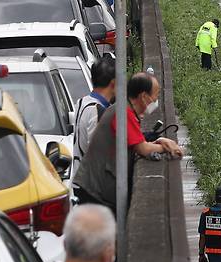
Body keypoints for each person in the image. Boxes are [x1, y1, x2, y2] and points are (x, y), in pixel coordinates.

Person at [73, 72, 183, 211]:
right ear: (144, 97)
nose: (156, 100)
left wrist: (160, 141)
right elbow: (142, 148)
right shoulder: (124, 113)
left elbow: (138, 142)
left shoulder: (124, 109)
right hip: (95, 191)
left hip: (96, 188)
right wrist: (166, 147)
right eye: (155, 95)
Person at [72, 55, 116, 182]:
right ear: (114, 83)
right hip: (91, 187)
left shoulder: (82, 102)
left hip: (79, 181)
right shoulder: (97, 111)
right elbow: (99, 156)